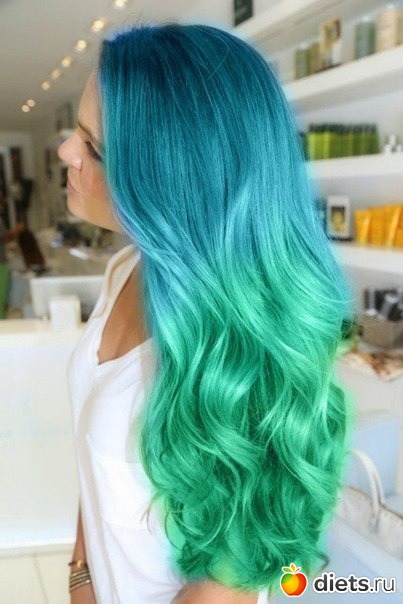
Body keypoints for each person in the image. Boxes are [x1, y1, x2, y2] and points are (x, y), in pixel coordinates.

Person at [57, 21, 355, 604]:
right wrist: (80, 573)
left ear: (172, 181)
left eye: (92, 146)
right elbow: (93, 455)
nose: (67, 150)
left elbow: (224, 589)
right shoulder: (126, 270)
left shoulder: (245, 363)